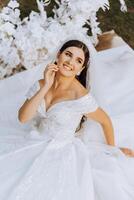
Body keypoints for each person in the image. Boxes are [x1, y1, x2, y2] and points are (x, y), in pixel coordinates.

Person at [0, 40, 134, 200]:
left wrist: (112, 149)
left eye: (78, 61)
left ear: (81, 69)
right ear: (58, 55)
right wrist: (45, 87)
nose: (71, 62)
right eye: (68, 55)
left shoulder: (80, 96)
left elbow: (105, 121)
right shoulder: (43, 83)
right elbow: (23, 118)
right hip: (34, 139)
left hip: (61, 150)